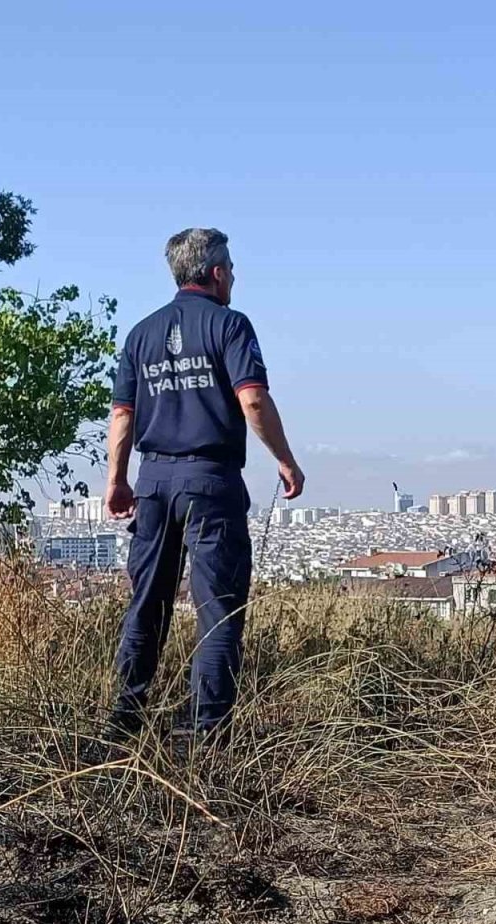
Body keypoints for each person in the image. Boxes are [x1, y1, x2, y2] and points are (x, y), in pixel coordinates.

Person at [103, 228, 304, 742]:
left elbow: (122, 416)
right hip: (210, 480)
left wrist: (117, 480)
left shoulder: (140, 334)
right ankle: (205, 734)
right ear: (216, 273)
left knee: (148, 603)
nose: (234, 276)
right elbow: (252, 399)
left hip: (153, 481)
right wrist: (285, 460)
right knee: (217, 610)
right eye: (230, 268)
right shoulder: (230, 325)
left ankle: (123, 719)